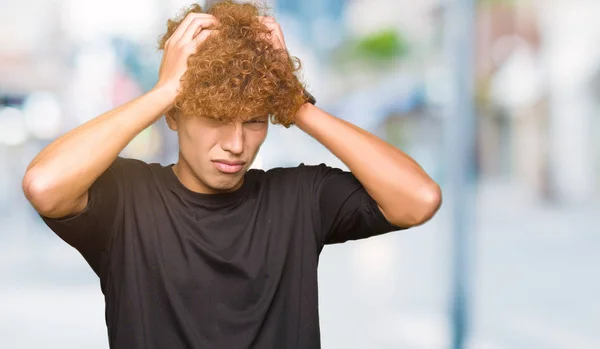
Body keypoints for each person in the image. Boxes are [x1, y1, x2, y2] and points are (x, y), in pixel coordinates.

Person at [22, 1, 441, 348]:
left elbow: (419, 199)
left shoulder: (299, 197)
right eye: (216, 117)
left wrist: (295, 102)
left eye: (256, 120)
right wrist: (164, 90)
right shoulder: (127, 201)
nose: (237, 144)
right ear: (173, 116)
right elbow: (44, 184)